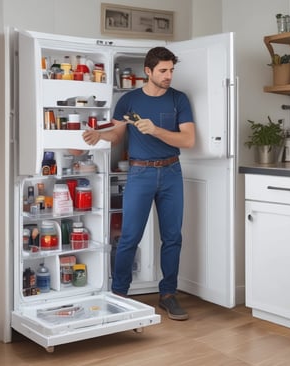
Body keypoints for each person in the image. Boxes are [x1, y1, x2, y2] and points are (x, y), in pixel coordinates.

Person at [83, 47, 195, 320]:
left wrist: (155, 130)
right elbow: (117, 135)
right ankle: (119, 295)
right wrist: (99, 136)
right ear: (148, 71)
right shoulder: (129, 101)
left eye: (171, 70)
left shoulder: (179, 100)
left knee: (172, 238)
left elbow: (188, 141)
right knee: (129, 237)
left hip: (171, 173)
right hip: (140, 174)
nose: (168, 76)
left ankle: (168, 294)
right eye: (163, 71)